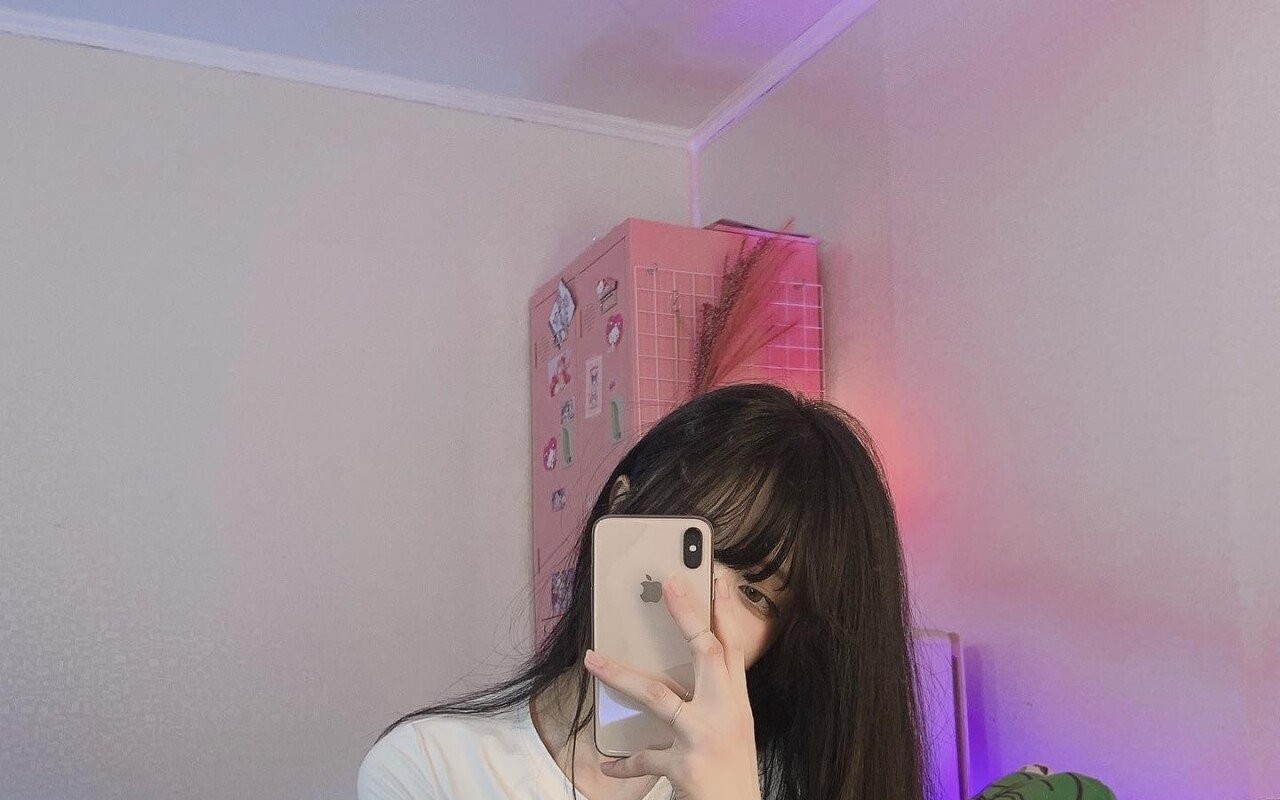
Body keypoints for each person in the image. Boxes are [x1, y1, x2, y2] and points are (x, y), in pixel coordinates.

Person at [357, 382, 925, 800]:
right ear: (620, 509)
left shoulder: (799, 781)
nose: (697, 610)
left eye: (756, 594)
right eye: (689, 550)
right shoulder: (431, 767)